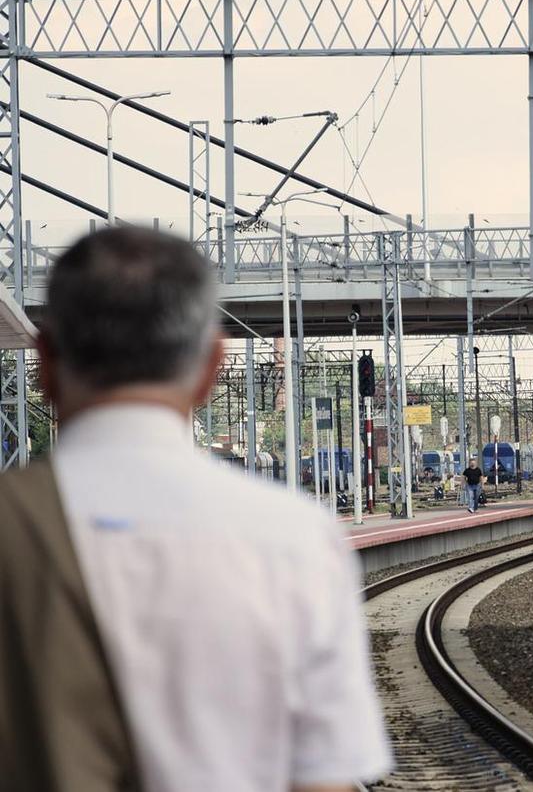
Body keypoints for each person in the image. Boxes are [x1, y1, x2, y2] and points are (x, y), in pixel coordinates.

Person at [0, 227, 390, 792]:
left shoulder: (15, 522)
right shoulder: (296, 538)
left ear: (45, 361)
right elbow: (323, 781)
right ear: (211, 367)